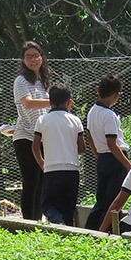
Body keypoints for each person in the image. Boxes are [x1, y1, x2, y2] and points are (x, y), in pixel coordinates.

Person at [84, 75, 131, 230]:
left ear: (98, 90)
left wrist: (98, 155)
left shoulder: (92, 111)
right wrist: (129, 166)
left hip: (103, 158)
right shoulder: (109, 115)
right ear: (116, 94)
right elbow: (112, 144)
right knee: (114, 200)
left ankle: (90, 228)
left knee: (102, 199)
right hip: (115, 159)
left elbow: (90, 137)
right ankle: (106, 231)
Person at [33, 84, 86, 226]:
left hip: (51, 169)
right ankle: (67, 228)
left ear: (50, 102)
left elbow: (35, 146)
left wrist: (41, 162)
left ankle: (58, 223)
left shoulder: (42, 120)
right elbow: (82, 147)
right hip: (72, 169)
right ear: (69, 101)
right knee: (68, 206)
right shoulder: (75, 120)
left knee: (49, 204)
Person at [13, 41, 52, 220]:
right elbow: (28, 103)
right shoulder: (21, 80)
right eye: (28, 56)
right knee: (31, 181)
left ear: (42, 58)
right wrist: (56, 102)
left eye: (35, 56)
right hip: (25, 136)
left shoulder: (44, 81)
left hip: (44, 137)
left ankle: (38, 218)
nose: (33, 60)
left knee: (43, 181)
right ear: (23, 60)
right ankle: (29, 222)